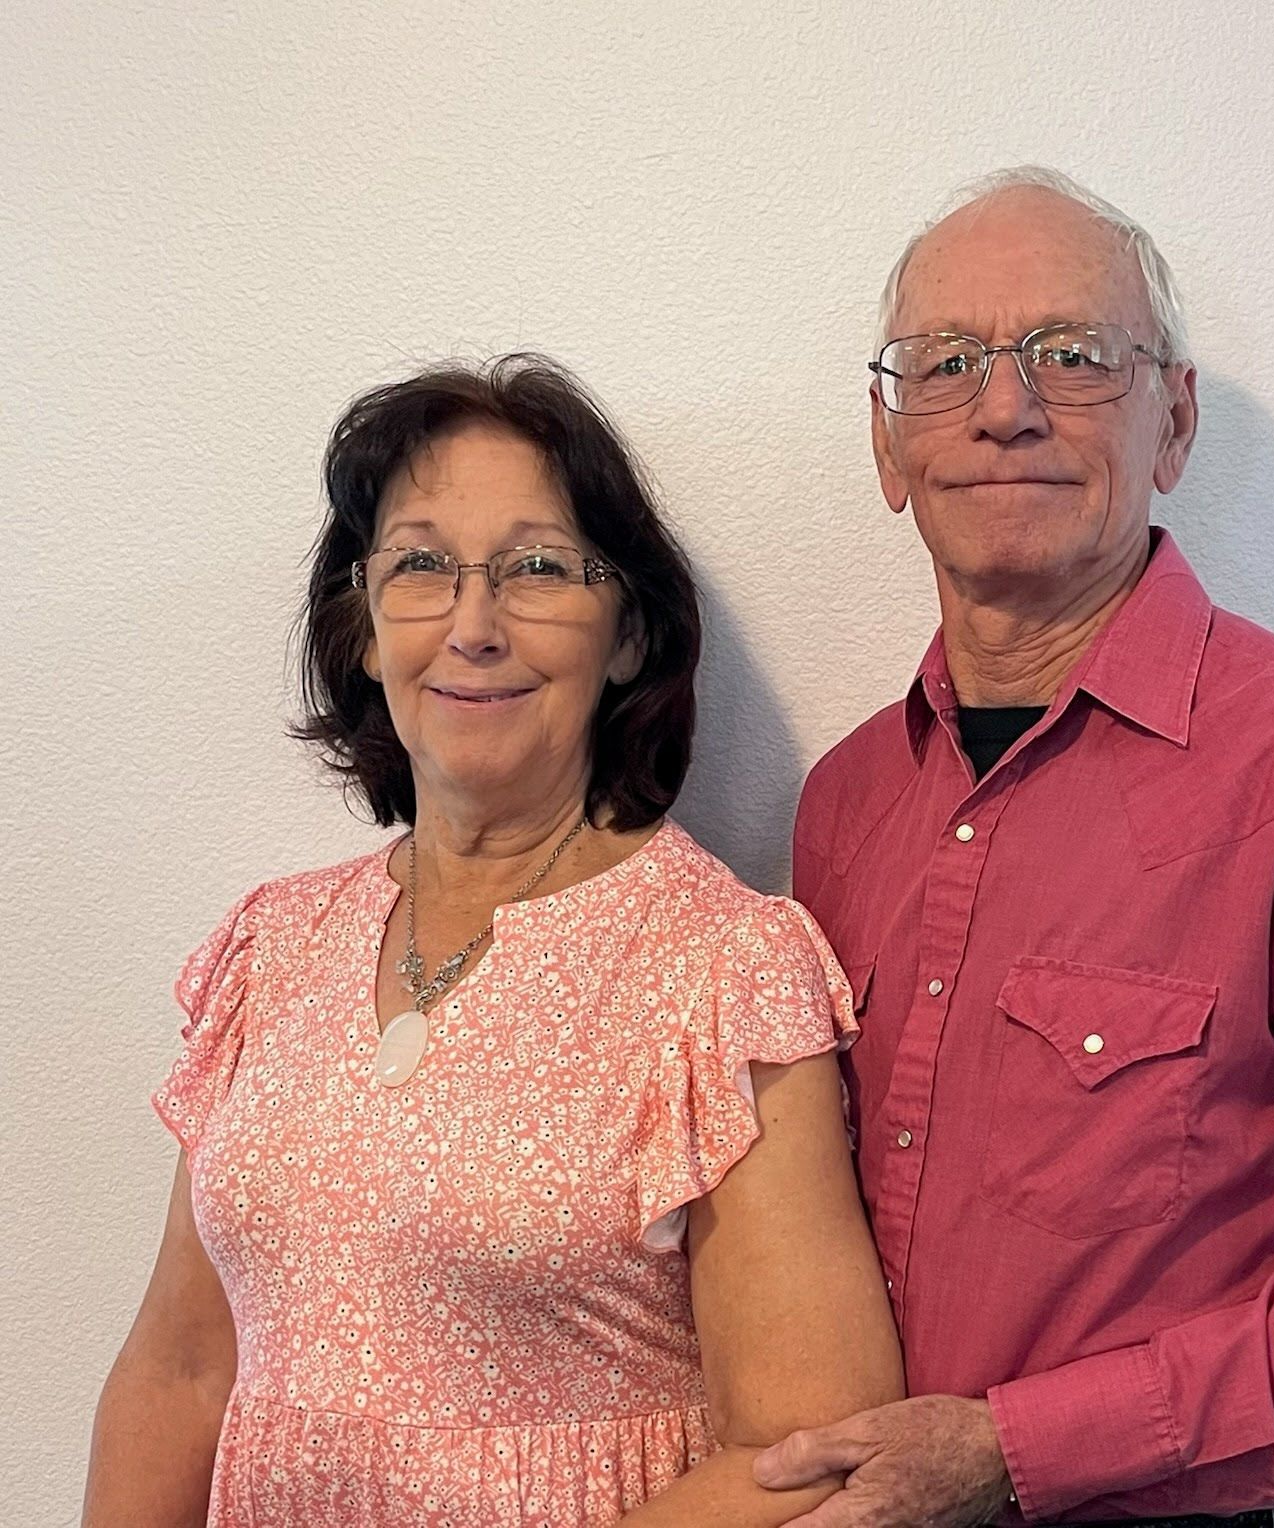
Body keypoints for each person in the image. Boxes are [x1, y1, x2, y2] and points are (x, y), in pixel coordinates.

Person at [753, 168, 1274, 1527]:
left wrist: (1012, 1448)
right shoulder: (843, 803)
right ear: (888, 447)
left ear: (1172, 418)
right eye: (945, 365)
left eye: (1072, 356)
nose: (1005, 408)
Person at [82, 355, 903, 1527]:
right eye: (420, 565)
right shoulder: (273, 945)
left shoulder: (721, 966)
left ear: (627, 634)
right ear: (362, 628)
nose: (472, 626)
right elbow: (181, 1369)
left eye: (536, 569)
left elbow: (809, 1448)